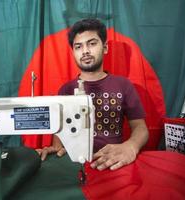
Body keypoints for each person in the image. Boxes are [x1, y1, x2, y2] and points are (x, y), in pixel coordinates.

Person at [37, 18, 149, 171]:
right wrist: (54, 149)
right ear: (73, 52)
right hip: (75, 164)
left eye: (92, 43)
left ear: (105, 47)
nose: (85, 51)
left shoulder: (123, 85)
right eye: (78, 46)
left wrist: (130, 147)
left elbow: (141, 128)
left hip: (113, 163)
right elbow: (59, 137)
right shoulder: (66, 90)